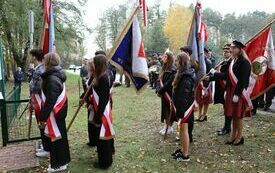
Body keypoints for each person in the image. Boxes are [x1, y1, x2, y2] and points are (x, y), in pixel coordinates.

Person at [208, 40, 252, 145]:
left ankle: (239, 137)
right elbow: (227, 76)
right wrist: (215, 74)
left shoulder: (244, 62)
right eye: (231, 48)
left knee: (238, 116)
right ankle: (233, 136)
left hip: (238, 92)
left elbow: (243, 80)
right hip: (230, 90)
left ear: (239, 49)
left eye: (233, 48)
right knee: (233, 114)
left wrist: (237, 94)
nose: (231, 50)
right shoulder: (233, 61)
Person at [40, 53, 70, 172]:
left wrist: (42, 118)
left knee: (57, 139)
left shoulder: (52, 79)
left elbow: (50, 102)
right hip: (57, 114)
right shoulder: (54, 76)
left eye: (45, 61)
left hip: (55, 114)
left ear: (48, 62)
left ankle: (60, 164)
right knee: (59, 138)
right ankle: (63, 161)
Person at [89, 54, 115, 169]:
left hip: (102, 112)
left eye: (95, 62)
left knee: (103, 138)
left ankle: (104, 162)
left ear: (98, 64)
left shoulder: (104, 77)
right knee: (103, 138)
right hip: (101, 110)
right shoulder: (100, 75)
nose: (93, 64)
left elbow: (103, 99)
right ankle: (105, 159)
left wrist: (98, 117)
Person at [171, 52, 195, 162]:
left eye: (176, 60)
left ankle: (185, 155)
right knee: (181, 129)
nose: (175, 62)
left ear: (181, 62)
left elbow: (184, 96)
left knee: (184, 129)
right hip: (181, 106)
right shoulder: (182, 73)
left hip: (184, 108)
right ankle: (182, 149)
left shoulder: (186, 76)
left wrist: (180, 111)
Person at [29, 48, 50, 158]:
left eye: (30, 55)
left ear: (34, 57)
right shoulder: (38, 69)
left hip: (40, 101)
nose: (29, 58)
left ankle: (47, 148)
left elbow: (36, 87)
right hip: (37, 101)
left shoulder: (40, 70)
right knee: (41, 123)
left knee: (42, 123)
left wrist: (31, 84)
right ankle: (45, 145)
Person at [209, 44, 232, 135]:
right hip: (222, 88)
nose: (225, 53)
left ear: (231, 53)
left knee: (228, 109)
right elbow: (219, 76)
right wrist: (210, 78)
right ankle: (226, 127)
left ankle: (227, 128)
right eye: (224, 51)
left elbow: (226, 75)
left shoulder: (231, 62)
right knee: (225, 108)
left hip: (227, 88)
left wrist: (214, 73)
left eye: (227, 51)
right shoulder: (223, 62)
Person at [156, 52, 176, 135]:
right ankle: (166, 125)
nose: (163, 58)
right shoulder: (164, 68)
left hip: (169, 93)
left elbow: (168, 83)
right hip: (163, 93)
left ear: (169, 58)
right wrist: (158, 90)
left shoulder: (173, 69)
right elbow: (159, 80)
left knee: (169, 109)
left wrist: (160, 91)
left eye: (165, 57)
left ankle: (170, 127)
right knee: (165, 110)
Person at [179, 46, 196, 142]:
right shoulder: (183, 64)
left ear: (188, 53)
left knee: (188, 116)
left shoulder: (191, 65)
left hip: (188, 93)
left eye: (182, 52)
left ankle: (189, 135)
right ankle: (185, 134)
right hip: (184, 92)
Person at [195, 48, 212, 122]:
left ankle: (204, 115)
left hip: (206, 84)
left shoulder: (208, 62)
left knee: (206, 100)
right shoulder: (198, 62)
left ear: (205, 53)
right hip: (199, 83)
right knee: (199, 100)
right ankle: (199, 114)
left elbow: (210, 74)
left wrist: (205, 86)